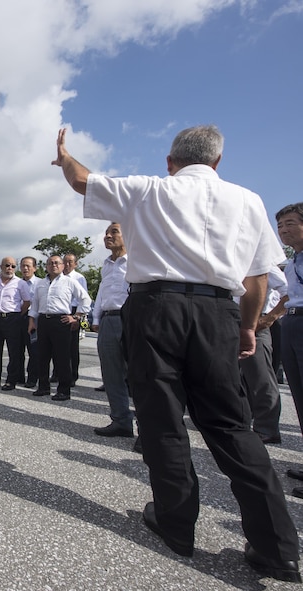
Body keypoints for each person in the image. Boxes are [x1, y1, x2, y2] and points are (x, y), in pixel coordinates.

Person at [53, 125, 300, 582]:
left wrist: (65, 155)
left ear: (170, 162)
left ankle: (176, 522)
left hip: (155, 306)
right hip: (217, 310)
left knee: (163, 417)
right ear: (217, 163)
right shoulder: (247, 200)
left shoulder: (147, 190)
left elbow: (81, 180)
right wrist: (247, 327)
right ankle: (278, 546)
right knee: (229, 423)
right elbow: (258, 280)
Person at [27, 255, 91, 401]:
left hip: (61, 321)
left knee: (62, 357)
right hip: (43, 320)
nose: (53, 265)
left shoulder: (70, 282)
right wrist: (32, 321)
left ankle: (64, 390)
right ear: (46, 266)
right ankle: (43, 387)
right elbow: (35, 304)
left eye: (56, 263)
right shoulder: (41, 284)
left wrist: (76, 316)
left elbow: (85, 299)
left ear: (62, 266)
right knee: (42, 356)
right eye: (50, 263)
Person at [90, 223, 132, 438]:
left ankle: (149, 430)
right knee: (111, 374)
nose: (107, 236)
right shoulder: (106, 265)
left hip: (131, 321)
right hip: (108, 320)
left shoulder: (137, 260)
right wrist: (96, 318)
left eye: (114, 231)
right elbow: (101, 293)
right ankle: (121, 421)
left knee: (139, 376)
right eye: (106, 232)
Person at [239, 265, 287, 445]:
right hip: (232, 319)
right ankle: (243, 420)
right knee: (238, 378)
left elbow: (288, 292)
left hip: (255, 323)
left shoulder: (262, 263)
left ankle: (267, 428)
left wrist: (269, 319)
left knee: (261, 378)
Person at [276, 204, 303, 500]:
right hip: (293, 320)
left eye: (290, 223)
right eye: (281, 225)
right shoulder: (293, 260)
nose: (284, 230)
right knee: (298, 393)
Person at [0, 257, 31, 391]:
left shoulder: (20, 283)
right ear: (1, 267)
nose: (10, 268)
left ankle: (11, 380)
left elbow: (27, 302)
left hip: (13, 318)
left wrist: (17, 314)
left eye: (13, 266)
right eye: (7, 265)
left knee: (14, 351)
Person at [63, 253, 87, 385]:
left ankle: (73, 375)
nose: (67, 265)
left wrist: (77, 318)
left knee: (72, 346)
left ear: (75, 264)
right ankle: (58, 372)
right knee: (59, 345)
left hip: (73, 312)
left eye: (70, 262)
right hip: (61, 311)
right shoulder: (58, 277)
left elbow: (83, 300)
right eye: (65, 262)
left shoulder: (79, 278)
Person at [19, 256, 40, 388]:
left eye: (28, 266)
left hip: (34, 318)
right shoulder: (16, 283)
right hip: (18, 317)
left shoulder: (40, 283)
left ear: (35, 268)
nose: (25, 268)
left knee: (34, 350)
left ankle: (32, 378)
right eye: (23, 266)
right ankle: (18, 376)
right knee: (17, 349)